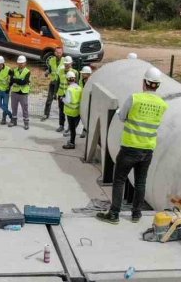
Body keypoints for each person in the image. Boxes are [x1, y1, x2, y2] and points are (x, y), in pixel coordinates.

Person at [96, 67, 169, 225]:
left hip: (130, 147)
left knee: (120, 179)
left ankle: (114, 213)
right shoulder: (162, 104)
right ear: (158, 85)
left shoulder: (134, 98)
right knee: (141, 182)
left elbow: (122, 117)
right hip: (148, 149)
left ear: (144, 82)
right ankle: (136, 213)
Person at [41, 47, 64, 122]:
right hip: (53, 82)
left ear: (62, 53)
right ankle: (46, 114)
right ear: (55, 53)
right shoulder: (51, 60)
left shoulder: (64, 61)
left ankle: (62, 117)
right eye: (57, 52)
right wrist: (47, 72)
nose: (58, 54)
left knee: (61, 102)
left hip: (61, 84)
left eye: (60, 53)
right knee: (49, 99)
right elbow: (50, 69)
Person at [61, 71, 82, 150]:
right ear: (74, 79)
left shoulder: (69, 89)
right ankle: (71, 141)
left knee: (72, 129)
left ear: (67, 80)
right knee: (73, 129)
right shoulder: (79, 88)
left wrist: (63, 99)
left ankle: (72, 143)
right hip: (77, 112)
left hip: (70, 112)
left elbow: (68, 101)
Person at [8, 55, 31, 129]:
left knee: (25, 108)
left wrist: (16, 80)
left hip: (23, 93)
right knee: (14, 107)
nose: (20, 64)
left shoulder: (27, 72)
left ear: (25, 63)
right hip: (14, 92)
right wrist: (19, 80)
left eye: (22, 63)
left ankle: (26, 122)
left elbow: (24, 82)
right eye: (19, 63)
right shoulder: (14, 70)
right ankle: (14, 121)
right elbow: (11, 80)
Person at [56, 56, 77, 133]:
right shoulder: (60, 71)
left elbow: (76, 84)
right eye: (65, 64)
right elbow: (57, 82)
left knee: (69, 111)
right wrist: (56, 92)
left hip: (69, 95)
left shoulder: (74, 72)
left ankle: (69, 127)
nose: (66, 65)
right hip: (61, 94)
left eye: (68, 64)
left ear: (71, 63)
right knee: (61, 111)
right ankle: (61, 125)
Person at [0, 56, 11, 125]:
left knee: (5, 105)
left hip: (5, 91)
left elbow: (11, 79)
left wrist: (9, 88)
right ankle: (10, 114)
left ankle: (4, 119)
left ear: (1, 63)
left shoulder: (8, 70)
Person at [79, 66, 93, 139]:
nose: (82, 74)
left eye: (83, 74)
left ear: (88, 74)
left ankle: (85, 130)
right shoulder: (81, 80)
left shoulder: (91, 82)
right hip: (83, 101)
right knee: (84, 116)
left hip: (90, 102)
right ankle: (85, 129)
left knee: (89, 117)